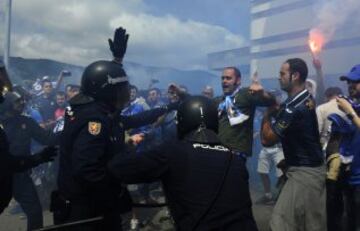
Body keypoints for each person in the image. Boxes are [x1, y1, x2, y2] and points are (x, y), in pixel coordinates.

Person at [54, 27, 176, 230]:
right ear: (108, 92)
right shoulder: (95, 121)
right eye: (120, 90)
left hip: (84, 202)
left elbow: (131, 119)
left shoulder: (91, 107)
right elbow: (88, 170)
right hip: (87, 210)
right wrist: (118, 185)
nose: (124, 94)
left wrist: (167, 107)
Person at [108, 96, 258, 230]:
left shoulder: (173, 151)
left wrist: (126, 146)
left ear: (181, 123)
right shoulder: (235, 158)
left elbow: (118, 169)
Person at [261, 58, 326, 230]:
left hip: (305, 174)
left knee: (281, 224)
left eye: (282, 74)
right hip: (304, 169)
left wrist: (266, 114)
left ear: (295, 76)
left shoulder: (295, 107)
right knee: (307, 224)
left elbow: (266, 139)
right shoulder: (303, 98)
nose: (279, 77)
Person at [0, 63, 57, 221]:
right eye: (18, 102)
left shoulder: (27, 121)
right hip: (3, 173)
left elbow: (47, 138)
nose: (22, 104)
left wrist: (67, 131)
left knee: (34, 211)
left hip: (20, 173)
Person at [326, 64, 360, 231]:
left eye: (355, 82)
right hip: (350, 176)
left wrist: (350, 112)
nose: (350, 85)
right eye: (348, 82)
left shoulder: (353, 111)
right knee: (349, 220)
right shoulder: (354, 108)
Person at [216, 67, 276, 158]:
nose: (224, 81)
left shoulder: (245, 94)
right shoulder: (220, 100)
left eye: (228, 78)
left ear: (238, 80)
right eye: (223, 78)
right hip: (218, 151)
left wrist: (262, 93)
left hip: (236, 152)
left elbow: (271, 101)